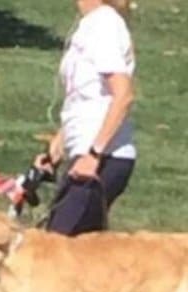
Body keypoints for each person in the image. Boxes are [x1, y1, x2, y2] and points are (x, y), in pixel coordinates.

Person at [33, 0, 136, 236]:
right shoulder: (90, 24)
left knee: (59, 246)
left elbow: (123, 95)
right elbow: (85, 96)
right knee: (76, 248)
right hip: (85, 154)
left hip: (104, 157)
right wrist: (57, 147)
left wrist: (94, 155)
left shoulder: (105, 24)